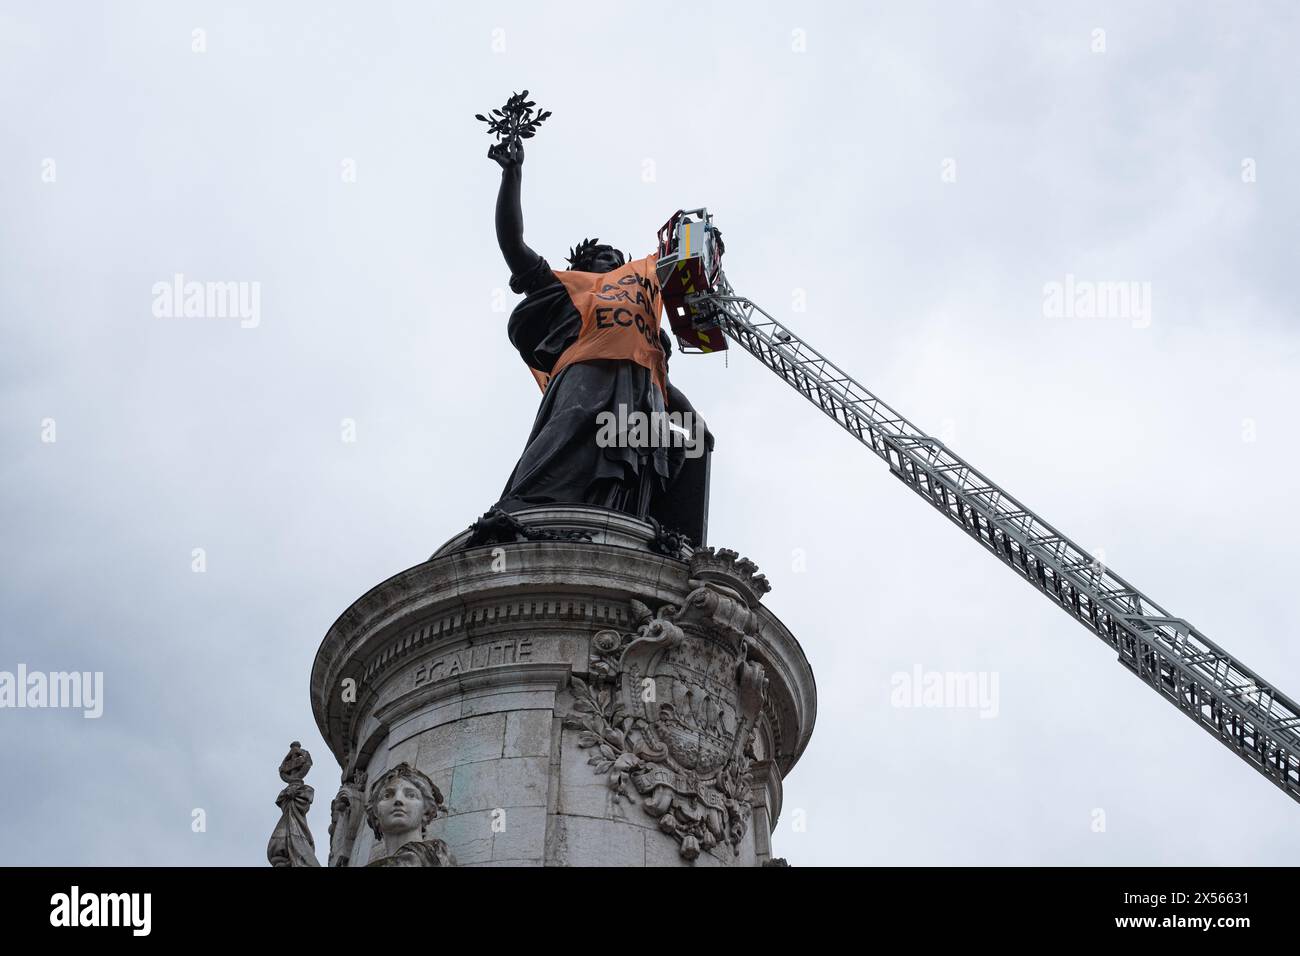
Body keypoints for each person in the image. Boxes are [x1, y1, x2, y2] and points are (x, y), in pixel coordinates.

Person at [486, 138, 711, 538]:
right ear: (584, 264)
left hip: (644, 396)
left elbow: (660, 377)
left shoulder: (646, 303)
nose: (610, 260)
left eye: (615, 257)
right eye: (601, 256)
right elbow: (513, 245)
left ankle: (643, 530)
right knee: (571, 430)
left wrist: (693, 420)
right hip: (586, 379)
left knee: (666, 452)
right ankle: (529, 508)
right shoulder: (574, 287)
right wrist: (512, 175)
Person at [364, 763, 455, 867]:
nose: (398, 800)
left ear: (426, 811)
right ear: (375, 814)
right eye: (387, 795)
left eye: (411, 795)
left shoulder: (437, 856)